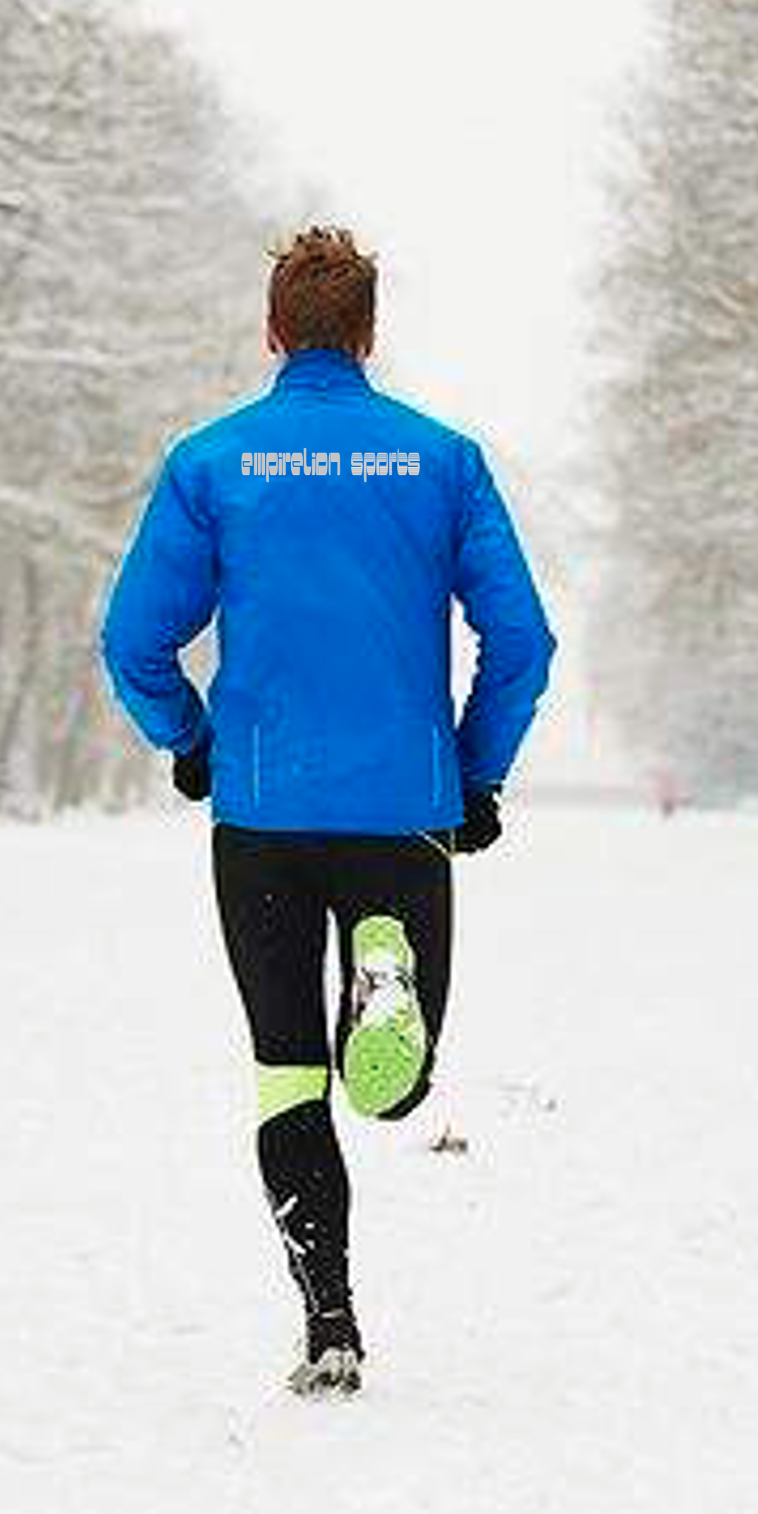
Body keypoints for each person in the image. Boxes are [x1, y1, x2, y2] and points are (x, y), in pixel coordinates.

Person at [98, 226, 556, 1396]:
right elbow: (521, 637)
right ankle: (386, 975)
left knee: (287, 1075)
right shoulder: (442, 460)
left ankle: (330, 1322)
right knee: (389, 1085)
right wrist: (475, 769)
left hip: (261, 810)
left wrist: (190, 741)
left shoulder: (211, 462)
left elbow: (133, 638)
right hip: (402, 808)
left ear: (272, 332)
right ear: (366, 333)